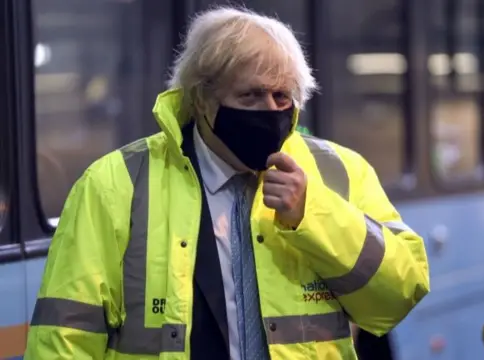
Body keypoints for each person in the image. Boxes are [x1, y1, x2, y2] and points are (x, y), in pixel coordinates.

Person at [24, 6, 430, 360]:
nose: (270, 111)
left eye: (282, 97)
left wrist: (315, 214)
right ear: (202, 98)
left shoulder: (339, 173)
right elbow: (65, 338)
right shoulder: (115, 185)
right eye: (251, 96)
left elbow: (397, 296)